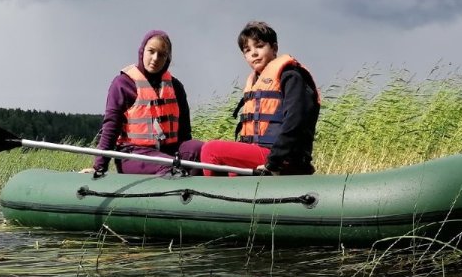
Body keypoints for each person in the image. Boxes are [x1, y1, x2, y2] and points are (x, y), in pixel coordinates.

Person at [199, 21, 319, 176]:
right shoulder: (255, 82)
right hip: (263, 155)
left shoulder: (291, 76)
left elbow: (295, 121)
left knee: (211, 150)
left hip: (284, 159)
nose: (253, 53)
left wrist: (273, 162)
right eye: (247, 50)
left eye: (259, 46)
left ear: (274, 48)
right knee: (230, 172)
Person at [84, 29, 201, 178]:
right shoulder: (122, 84)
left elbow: (185, 133)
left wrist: (191, 155)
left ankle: (198, 187)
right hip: (133, 154)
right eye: (151, 51)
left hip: (169, 151)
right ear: (142, 51)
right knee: (170, 166)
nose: (155, 58)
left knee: (200, 150)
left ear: (168, 58)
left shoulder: (176, 87)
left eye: (162, 54)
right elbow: (111, 128)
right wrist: (99, 167)